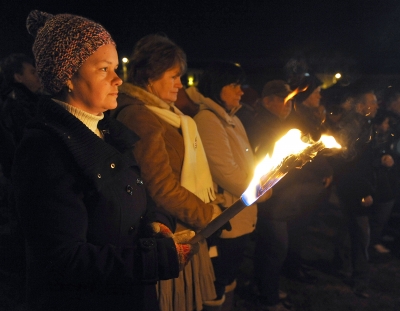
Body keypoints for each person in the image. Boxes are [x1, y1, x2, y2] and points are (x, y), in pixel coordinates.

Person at [12, 11, 196, 311]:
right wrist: (151, 260)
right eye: (104, 69)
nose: (118, 78)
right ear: (67, 76)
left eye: (115, 66)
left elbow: (136, 195)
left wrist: (157, 222)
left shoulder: (107, 132)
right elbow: (62, 259)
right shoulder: (44, 150)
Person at [111, 34, 218, 311]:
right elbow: (160, 187)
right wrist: (206, 214)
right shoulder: (140, 116)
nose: (180, 85)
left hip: (183, 227)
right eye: (173, 77)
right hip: (169, 234)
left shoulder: (164, 112)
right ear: (150, 76)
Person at [187, 61, 272, 310]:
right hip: (228, 219)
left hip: (241, 214)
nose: (241, 91)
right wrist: (262, 190)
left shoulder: (229, 118)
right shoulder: (208, 120)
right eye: (234, 85)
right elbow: (226, 173)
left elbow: (245, 162)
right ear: (218, 87)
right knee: (218, 283)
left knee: (229, 276)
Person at [242, 80, 294, 311]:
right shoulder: (263, 125)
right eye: (284, 101)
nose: (289, 106)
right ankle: (268, 297)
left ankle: (262, 286)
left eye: (291, 101)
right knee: (275, 247)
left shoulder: (274, 124)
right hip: (270, 199)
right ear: (267, 101)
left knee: (268, 248)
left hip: (274, 198)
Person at [331, 86, 379, 299]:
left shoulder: (360, 124)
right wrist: (364, 192)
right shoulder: (355, 127)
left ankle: (341, 266)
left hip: (348, 188)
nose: (376, 106)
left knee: (346, 229)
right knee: (360, 234)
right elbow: (354, 164)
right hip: (354, 190)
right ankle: (359, 279)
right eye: (372, 102)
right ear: (361, 106)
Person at [368, 109, 398, 259]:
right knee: (376, 216)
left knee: (380, 217)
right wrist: (381, 160)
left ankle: (373, 241)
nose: (388, 126)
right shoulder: (370, 139)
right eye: (385, 122)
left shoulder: (387, 139)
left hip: (385, 183)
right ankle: (370, 243)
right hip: (377, 184)